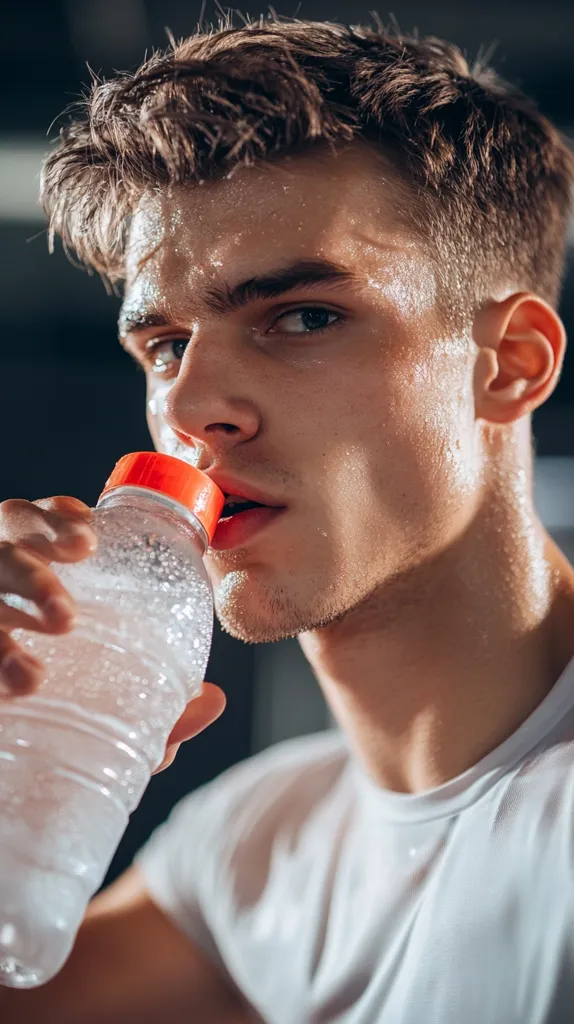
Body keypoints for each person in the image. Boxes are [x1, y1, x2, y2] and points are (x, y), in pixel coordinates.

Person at [1, 13, 573, 1023]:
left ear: (509, 362)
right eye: (167, 344)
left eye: (303, 316)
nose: (187, 410)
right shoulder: (255, 842)